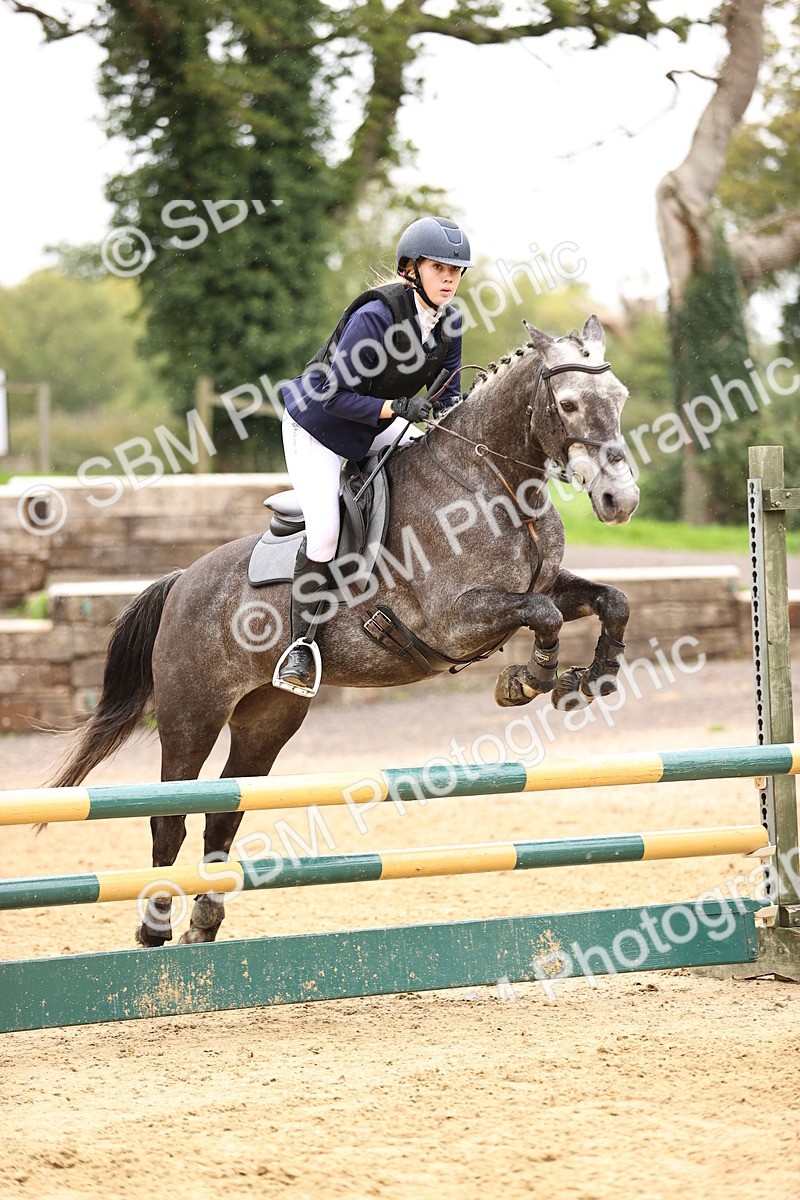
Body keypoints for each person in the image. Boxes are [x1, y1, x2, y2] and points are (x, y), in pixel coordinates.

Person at [274, 215, 473, 695]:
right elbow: (334, 397)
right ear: (411, 268)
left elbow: (448, 399)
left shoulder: (451, 324)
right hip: (317, 426)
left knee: (435, 466)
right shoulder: (375, 317)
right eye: (439, 267)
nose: (449, 278)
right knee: (323, 536)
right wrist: (396, 407)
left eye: (457, 270)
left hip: (377, 424)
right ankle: (300, 648)